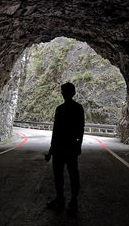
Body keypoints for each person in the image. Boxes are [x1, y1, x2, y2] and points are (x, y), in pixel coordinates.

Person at [45, 82, 85, 215]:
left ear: (65, 93)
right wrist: (78, 146)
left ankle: (61, 200)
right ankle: (73, 201)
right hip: (71, 147)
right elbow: (81, 129)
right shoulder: (78, 108)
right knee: (73, 174)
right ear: (73, 93)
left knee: (59, 175)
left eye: (63, 91)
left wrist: (51, 150)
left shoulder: (60, 109)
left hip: (60, 148)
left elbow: (56, 131)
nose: (62, 93)